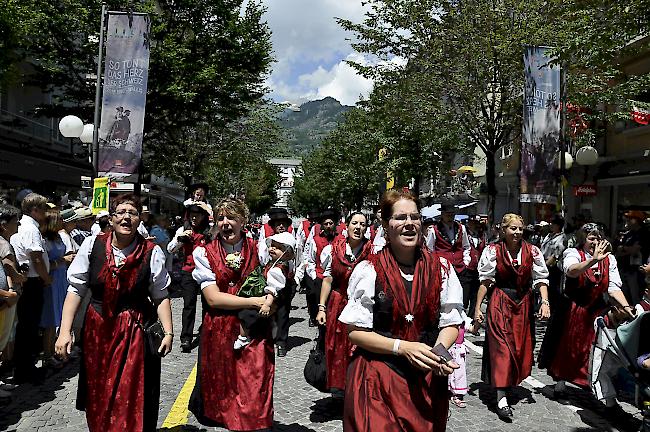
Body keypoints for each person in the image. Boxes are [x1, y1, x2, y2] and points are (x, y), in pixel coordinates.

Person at [338, 190, 464, 431]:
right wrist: (402, 347)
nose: (409, 224)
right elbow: (354, 331)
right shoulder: (369, 269)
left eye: (414, 217)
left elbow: (450, 321)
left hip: (425, 380)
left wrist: (438, 353)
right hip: (378, 377)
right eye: (400, 217)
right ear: (386, 225)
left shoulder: (442, 268)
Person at [55, 193, 173, 432]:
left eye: (132, 213)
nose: (126, 218)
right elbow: (75, 290)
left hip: (134, 330)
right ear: (111, 218)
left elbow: (160, 295)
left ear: (140, 219)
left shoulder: (152, 251)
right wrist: (64, 331)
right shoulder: (92, 245)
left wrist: (168, 332)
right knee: (99, 388)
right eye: (121, 212)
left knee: (131, 389)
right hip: (98, 328)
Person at [190, 198, 274, 430]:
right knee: (225, 386)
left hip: (255, 326)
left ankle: (253, 422)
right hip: (220, 326)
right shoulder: (204, 253)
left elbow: (275, 283)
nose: (226, 223)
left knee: (255, 381)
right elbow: (213, 298)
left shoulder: (260, 248)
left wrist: (270, 300)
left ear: (243, 221)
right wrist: (253, 300)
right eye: (221, 218)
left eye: (231, 218)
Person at [539, 223, 634, 399]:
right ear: (583, 239)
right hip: (574, 309)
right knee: (568, 349)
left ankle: (598, 389)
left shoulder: (609, 259)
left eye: (599, 238)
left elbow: (613, 289)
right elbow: (571, 271)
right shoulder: (573, 253)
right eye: (591, 238)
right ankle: (560, 386)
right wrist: (593, 260)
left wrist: (627, 308)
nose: (596, 242)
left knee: (594, 351)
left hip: (596, 312)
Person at [474, 213, 550, 421]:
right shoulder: (493, 250)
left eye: (519, 228)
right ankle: (501, 398)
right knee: (502, 348)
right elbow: (486, 281)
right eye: (512, 228)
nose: (516, 232)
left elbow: (540, 278)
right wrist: (477, 308)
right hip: (500, 301)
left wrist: (544, 302)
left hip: (523, 303)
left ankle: (508, 382)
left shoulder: (532, 251)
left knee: (518, 347)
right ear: (503, 230)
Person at [316, 212, 374, 397]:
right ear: (346, 226)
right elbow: (327, 280)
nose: (358, 227)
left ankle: (357, 388)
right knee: (336, 345)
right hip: (337, 303)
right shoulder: (334, 249)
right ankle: (338, 388)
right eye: (354, 223)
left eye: (362, 224)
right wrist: (321, 307)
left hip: (361, 305)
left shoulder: (372, 250)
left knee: (358, 346)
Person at [10, 193, 51, 383]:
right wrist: (46, 277)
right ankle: (25, 370)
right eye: (43, 209)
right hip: (33, 282)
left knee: (26, 327)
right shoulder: (31, 229)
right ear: (34, 210)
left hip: (28, 281)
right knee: (30, 327)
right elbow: (36, 258)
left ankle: (23, 367)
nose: (45, 213)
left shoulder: (24, 226)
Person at [236, 232, 295, 350]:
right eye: (272, 245)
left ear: (286, 254)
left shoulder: (277, 270)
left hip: (271, 297)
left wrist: (267, 304)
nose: (272, 248)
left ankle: (243, 337)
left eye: (278, 248)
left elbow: (272, 290)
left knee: (246, 313)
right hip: (273, 294)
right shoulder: (276, 263)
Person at [167, 201, 212, 352]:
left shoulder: (210, 230)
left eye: (197, 215)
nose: (194, 218)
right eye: (192, 215)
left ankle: (207, 334)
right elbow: (170, 249)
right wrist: (180, 238)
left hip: (206, 272)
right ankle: (186, 338)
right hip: (189, 272)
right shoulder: (183, 229)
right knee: (189, 305)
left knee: (208, 305)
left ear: (203, 216)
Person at [258, 207, 295, 357]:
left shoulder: (292, 239)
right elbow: (261, 257)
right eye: (278, 223)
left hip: (286, 279)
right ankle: (268, 337)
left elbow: (299, 259)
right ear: (273, 226)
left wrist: (296, 277)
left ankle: (281, 342)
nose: (281, 226)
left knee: (283, 312)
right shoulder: (267, 239)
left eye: (283, 223)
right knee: (268, 310)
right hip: (269, 277)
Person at [40, 208, 73, 369]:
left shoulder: (59, 236)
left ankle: (55, 350)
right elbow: (44, 264)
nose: (62, 222)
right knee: (50, 320)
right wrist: (62, 260)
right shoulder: (44, 240)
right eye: (59, 219)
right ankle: (47, 355)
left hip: (61, 279)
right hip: (52, 281)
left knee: (59, 317)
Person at [425, 200, 472, 310]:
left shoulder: (462, 228)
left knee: (462, 301)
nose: (450, 216)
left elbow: (466, 246)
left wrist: (466, 262)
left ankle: (462, 325)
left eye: (452, 214)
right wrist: (436, 266)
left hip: (461, 270)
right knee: (446, 300)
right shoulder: (434, 230)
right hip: (443, 271)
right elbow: (429, 250)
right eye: (447, 214)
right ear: (442, 214)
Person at [0, 204, 25, 388]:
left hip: (7, 296)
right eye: (15, 221)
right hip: (5, 300)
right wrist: (10, 292)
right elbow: (9, 268)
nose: (18, 224)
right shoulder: (3, 243)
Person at [304, 209, 340, 326]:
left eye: (331, 223)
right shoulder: (316, 240)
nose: (329, 226)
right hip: (320, 276)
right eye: (326, 224)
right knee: (315, 297)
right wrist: (314, 276)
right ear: (322, 226)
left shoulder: (341, 240)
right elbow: (310, 260)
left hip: (336, 277)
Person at [616, 210, 649, 305]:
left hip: (637, 271)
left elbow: (635, 249)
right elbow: (619, 251)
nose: (627, 222)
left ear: (636, 220)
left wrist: (624, 249)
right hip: (624, 269)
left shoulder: (644, 233)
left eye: (630, 219)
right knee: (624, 297)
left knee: (636, 298)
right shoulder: (628, 234)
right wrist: (625, 249)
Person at [540, 214, 567, 308]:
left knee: (552, 291)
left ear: (559, 225)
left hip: (552, 267)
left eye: (553, 223)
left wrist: (544, 266)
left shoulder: (562, 238)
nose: (551, 225)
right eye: (550, 222)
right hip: (543, 263)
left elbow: (556, 255)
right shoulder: (548, 235)